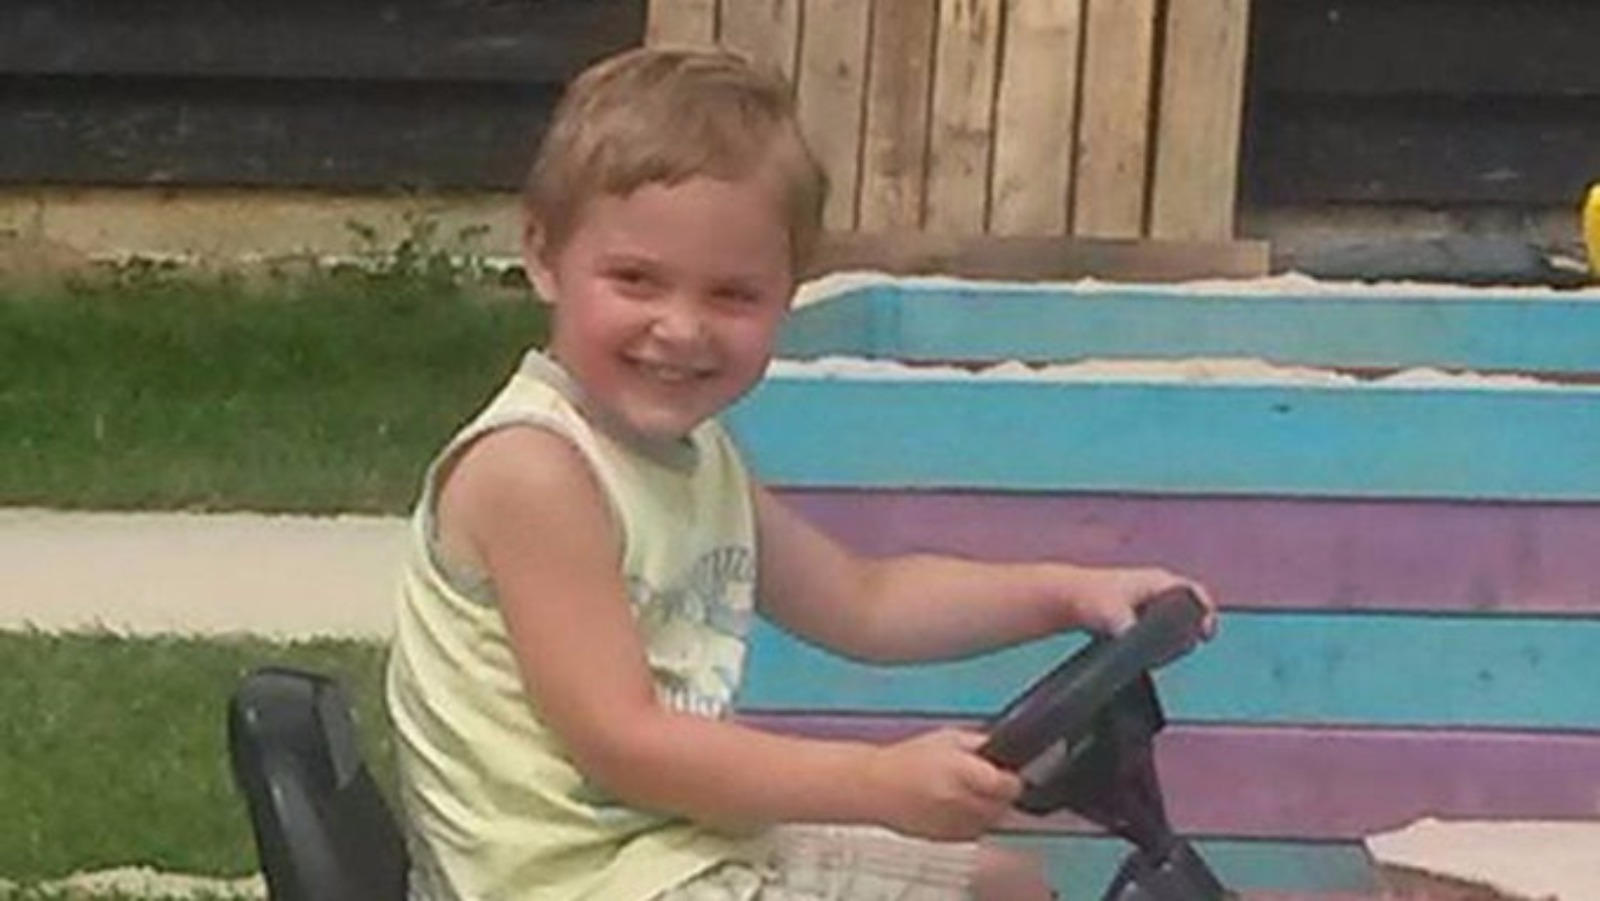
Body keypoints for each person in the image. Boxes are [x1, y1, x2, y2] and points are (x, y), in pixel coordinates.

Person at [384, 46, 1217, 901]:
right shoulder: (534, 470)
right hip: (568, 879)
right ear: (543, 254)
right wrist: (874, 783)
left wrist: (1067, 594)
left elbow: (866, 600)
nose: (682, 327)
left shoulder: (696, 459)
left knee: (1004, 888)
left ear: (787, 293)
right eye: (636, 280)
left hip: (675, 846)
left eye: (732, 295)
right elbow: (623, 741)